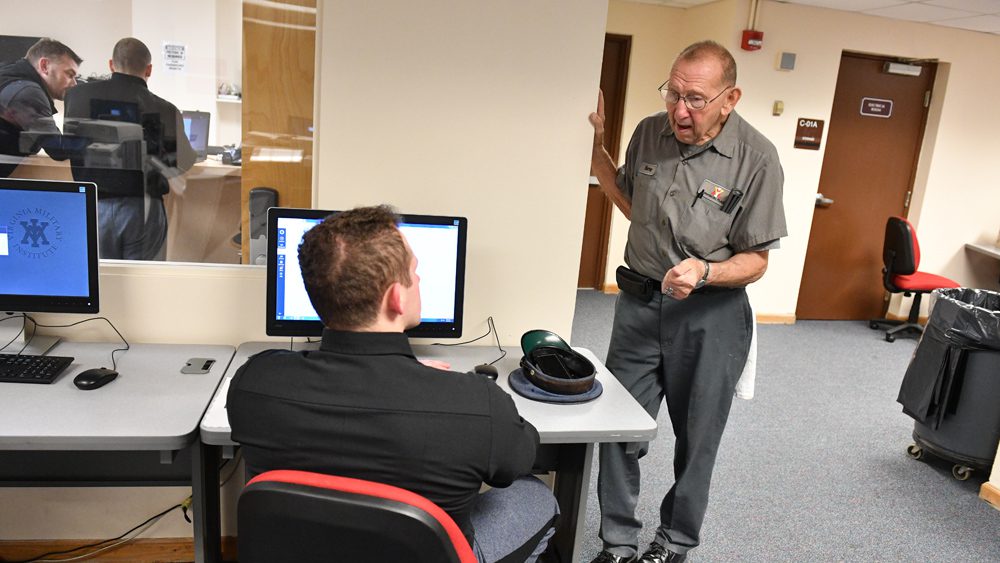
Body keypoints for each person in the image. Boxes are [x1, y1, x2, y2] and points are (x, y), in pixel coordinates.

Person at [227, 205, 558, 563]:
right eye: (415, 273)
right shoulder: (476, 402)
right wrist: (425, 381)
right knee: (534, 495)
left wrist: (404, 372)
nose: (419, 280)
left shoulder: (253, 384)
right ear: (396, 298)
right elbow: (519, 458)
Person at [587, 41, 787, 563]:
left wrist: (706, 271)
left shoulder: (757, 158)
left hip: (709, 317)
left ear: (730, 98)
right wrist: (598, 149)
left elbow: (758, 260)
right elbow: (636, 205)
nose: (679, 110)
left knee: (696, 439)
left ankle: (673, 543)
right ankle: (618, 545)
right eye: (673, 93)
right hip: (637, 307)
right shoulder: (648, 133)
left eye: (695, 98)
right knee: (616, 429)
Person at [64, 37, 196, 260]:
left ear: (111, 64)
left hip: (95, 206)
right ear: (149, 69)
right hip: (144, 209)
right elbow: (183, 161)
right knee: (144, 285)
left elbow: (68, 147)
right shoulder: (165, 109)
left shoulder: (78, 95)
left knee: (99, 282)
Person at [0, 38, 81, 177]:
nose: (74, 84)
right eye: (69, 74)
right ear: (44, 66)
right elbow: (58, 150)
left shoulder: (9, 76)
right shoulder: (28, 92)